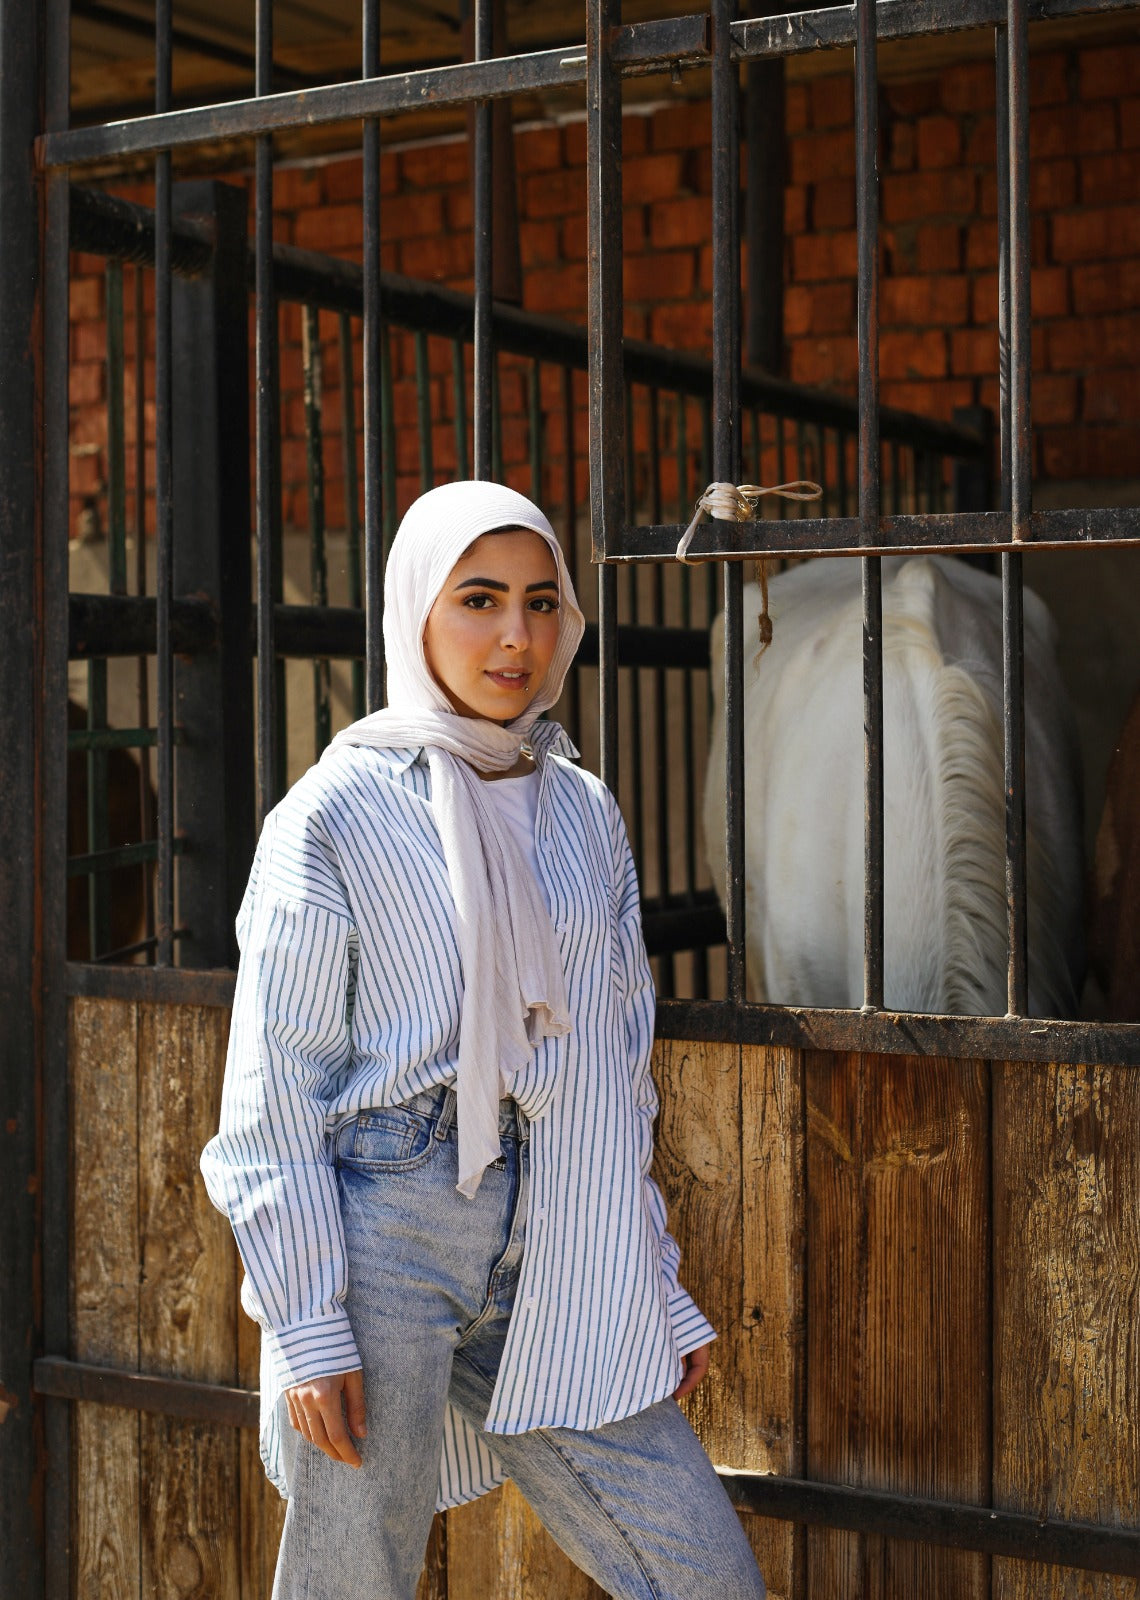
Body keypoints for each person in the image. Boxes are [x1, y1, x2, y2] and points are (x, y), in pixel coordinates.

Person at [201, 479, 766, 1600]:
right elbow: (274, 1091)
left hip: (563, 1230)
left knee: (709, 1576)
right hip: (385, 1238)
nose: (516, 634)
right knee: (351, 1583)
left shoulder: (585, 811)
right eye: (479, 599)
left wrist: (651, 1277)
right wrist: (308, 1322)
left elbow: (615, 1061)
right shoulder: (333, 814)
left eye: (542, 602)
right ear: (416, 609)